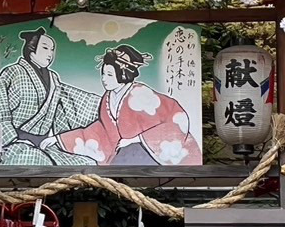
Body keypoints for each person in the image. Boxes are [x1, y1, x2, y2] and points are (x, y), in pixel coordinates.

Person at [49, 45, 203, 165]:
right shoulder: (108, 99)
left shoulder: (141, 94)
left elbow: (176, 118)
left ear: (123, 74)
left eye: (109, 74)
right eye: (103, 74)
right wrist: (60, 139)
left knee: (124, 161)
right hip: (128, 152)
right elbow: (101, 131)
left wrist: (137, 139)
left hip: (153, 153)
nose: (104, 79)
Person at [0, 28, 100, 165]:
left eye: (52, 49)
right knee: (33, 159)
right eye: (45, 48)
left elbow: (71, 99)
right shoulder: (13, 72)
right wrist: (10, 139)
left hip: (43, 145)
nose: (50, 54)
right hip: (12, 144)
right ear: (31, 48)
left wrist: (104, 105)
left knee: (86, 163)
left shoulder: (53, 79)